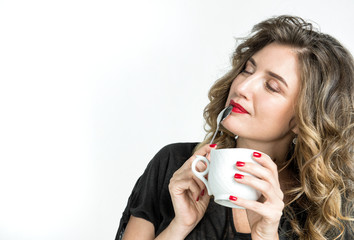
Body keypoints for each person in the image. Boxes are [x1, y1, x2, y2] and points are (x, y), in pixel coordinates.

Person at [116, 15, 354, 240]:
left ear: (303, 120)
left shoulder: (333, 209)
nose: (243, 87)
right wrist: (179, 227)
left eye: (271, 86)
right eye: (247, 70)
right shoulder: (173, 164)